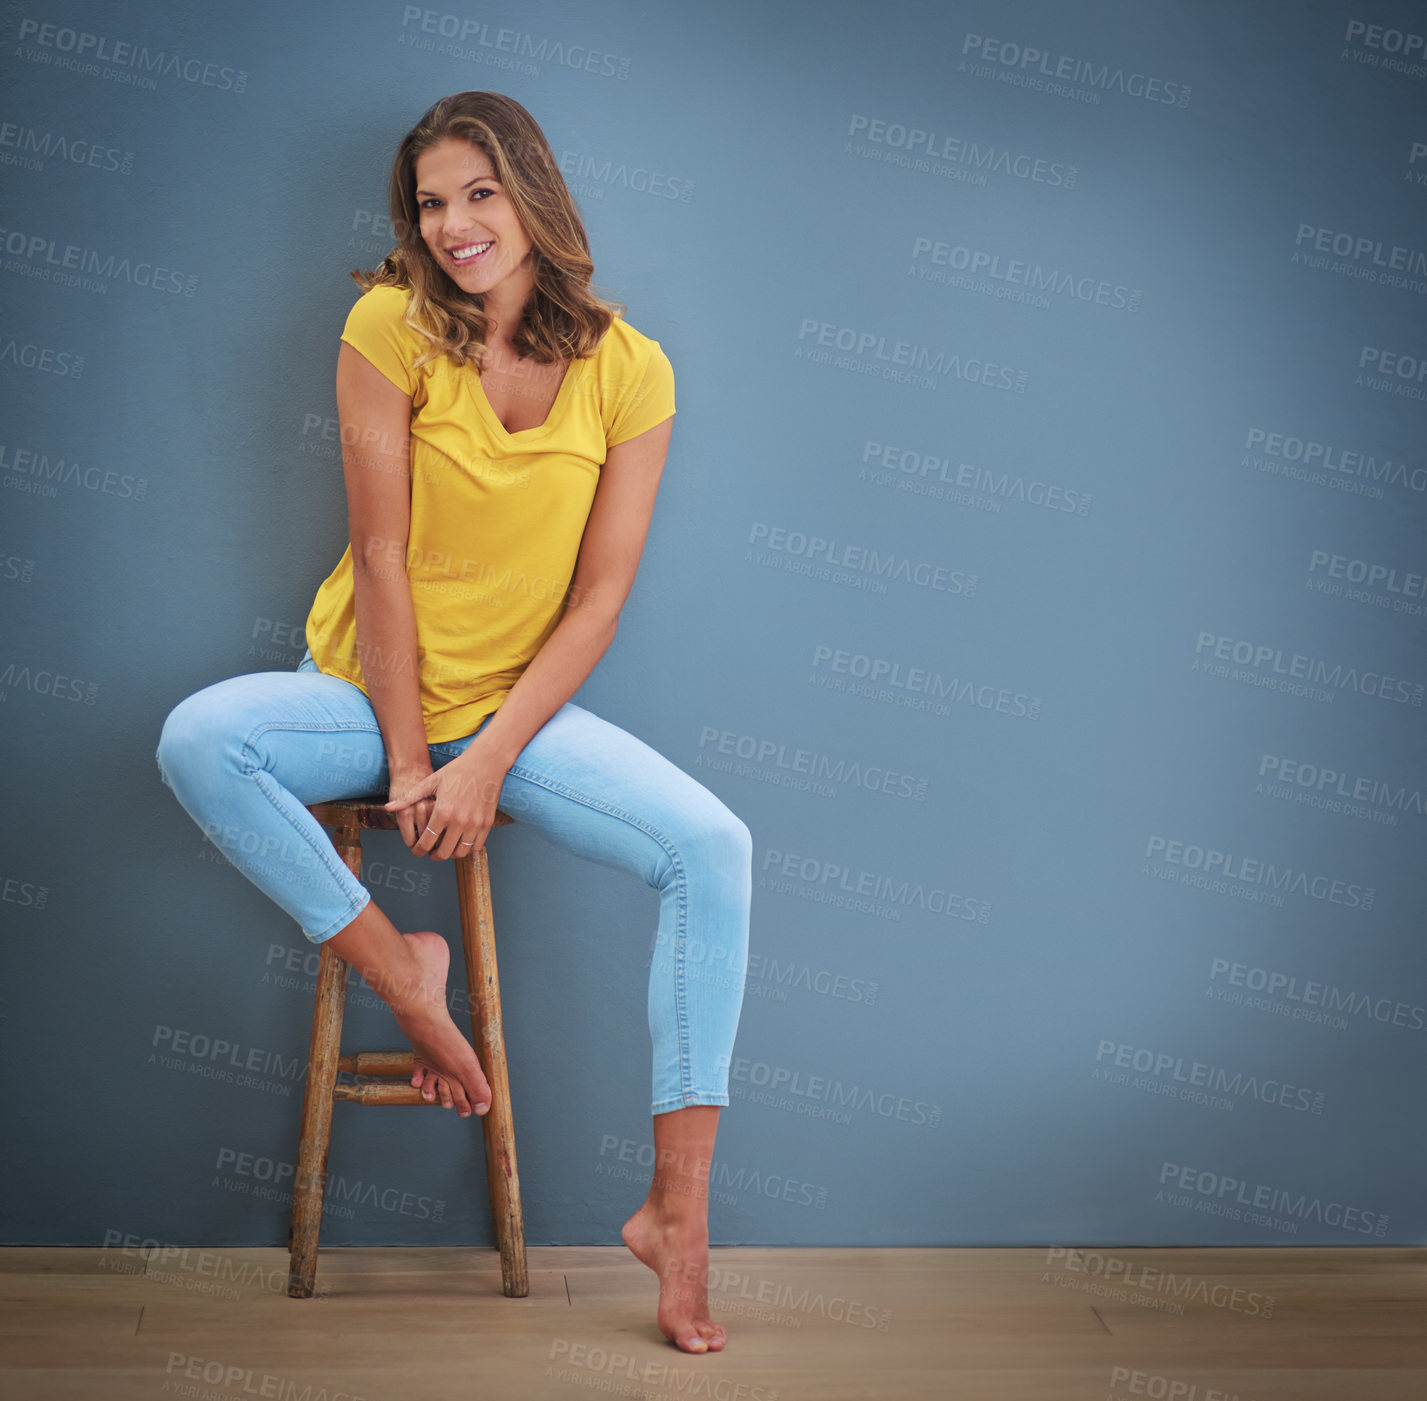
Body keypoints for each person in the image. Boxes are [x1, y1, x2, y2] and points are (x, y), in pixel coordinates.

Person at [155, 90, 751, 1355]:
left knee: (715, 849)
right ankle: (407, 982)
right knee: (201, 738)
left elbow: (596, 605)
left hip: (514, 720)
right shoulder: (390, 326)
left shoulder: (630, 370)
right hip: (360, 700)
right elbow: (377, 553)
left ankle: (677, 1218)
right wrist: (417, 755)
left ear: (533, 194)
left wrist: (485, 759)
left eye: (478, 193)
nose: (454, 224)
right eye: (431, 203)